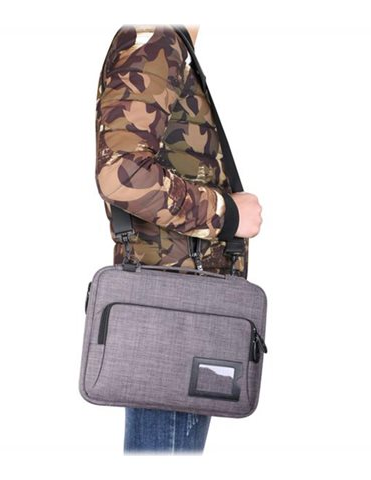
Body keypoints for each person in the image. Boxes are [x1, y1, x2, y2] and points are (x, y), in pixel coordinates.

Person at [94, 23, 263, 454]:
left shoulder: (170, 42)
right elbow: (121, 176)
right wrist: (227, 214)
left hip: (184, 304)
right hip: (173, 310)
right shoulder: (156, 37)